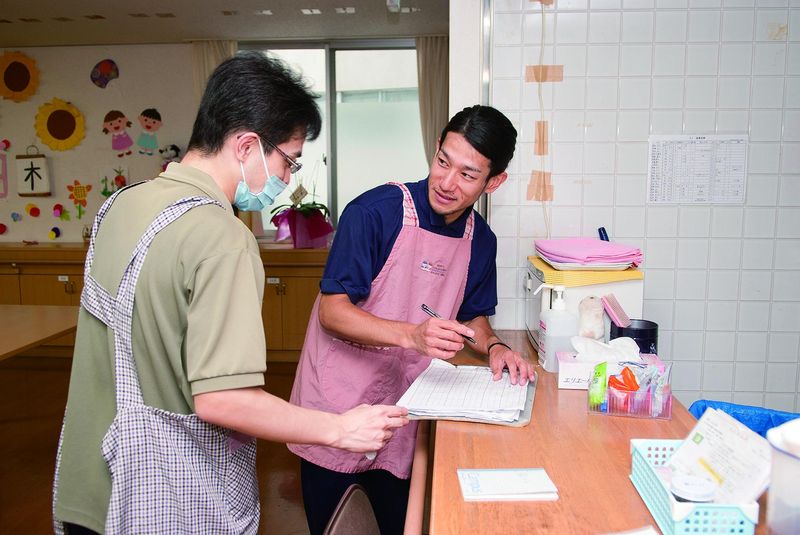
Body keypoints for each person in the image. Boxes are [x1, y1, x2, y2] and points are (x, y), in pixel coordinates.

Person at [53, 52, 408, 535]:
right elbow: (223, 399)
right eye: (289, 159)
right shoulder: (222, 236)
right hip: (161, 500)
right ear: (246, 145)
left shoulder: (119, 205)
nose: (288, 179)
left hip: (91, 490)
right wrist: (341, 428)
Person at [289, 105, 537, 535]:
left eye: (467, 174)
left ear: (494, 182)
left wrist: (494, 346)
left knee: (395, 521)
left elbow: (472, 315)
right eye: (443, 161)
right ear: (436, 149)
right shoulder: (373, 213)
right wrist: (413, 336)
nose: (446, 182)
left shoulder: (482, 240)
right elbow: (333, 311)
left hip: (407, 407)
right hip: (338, 403)